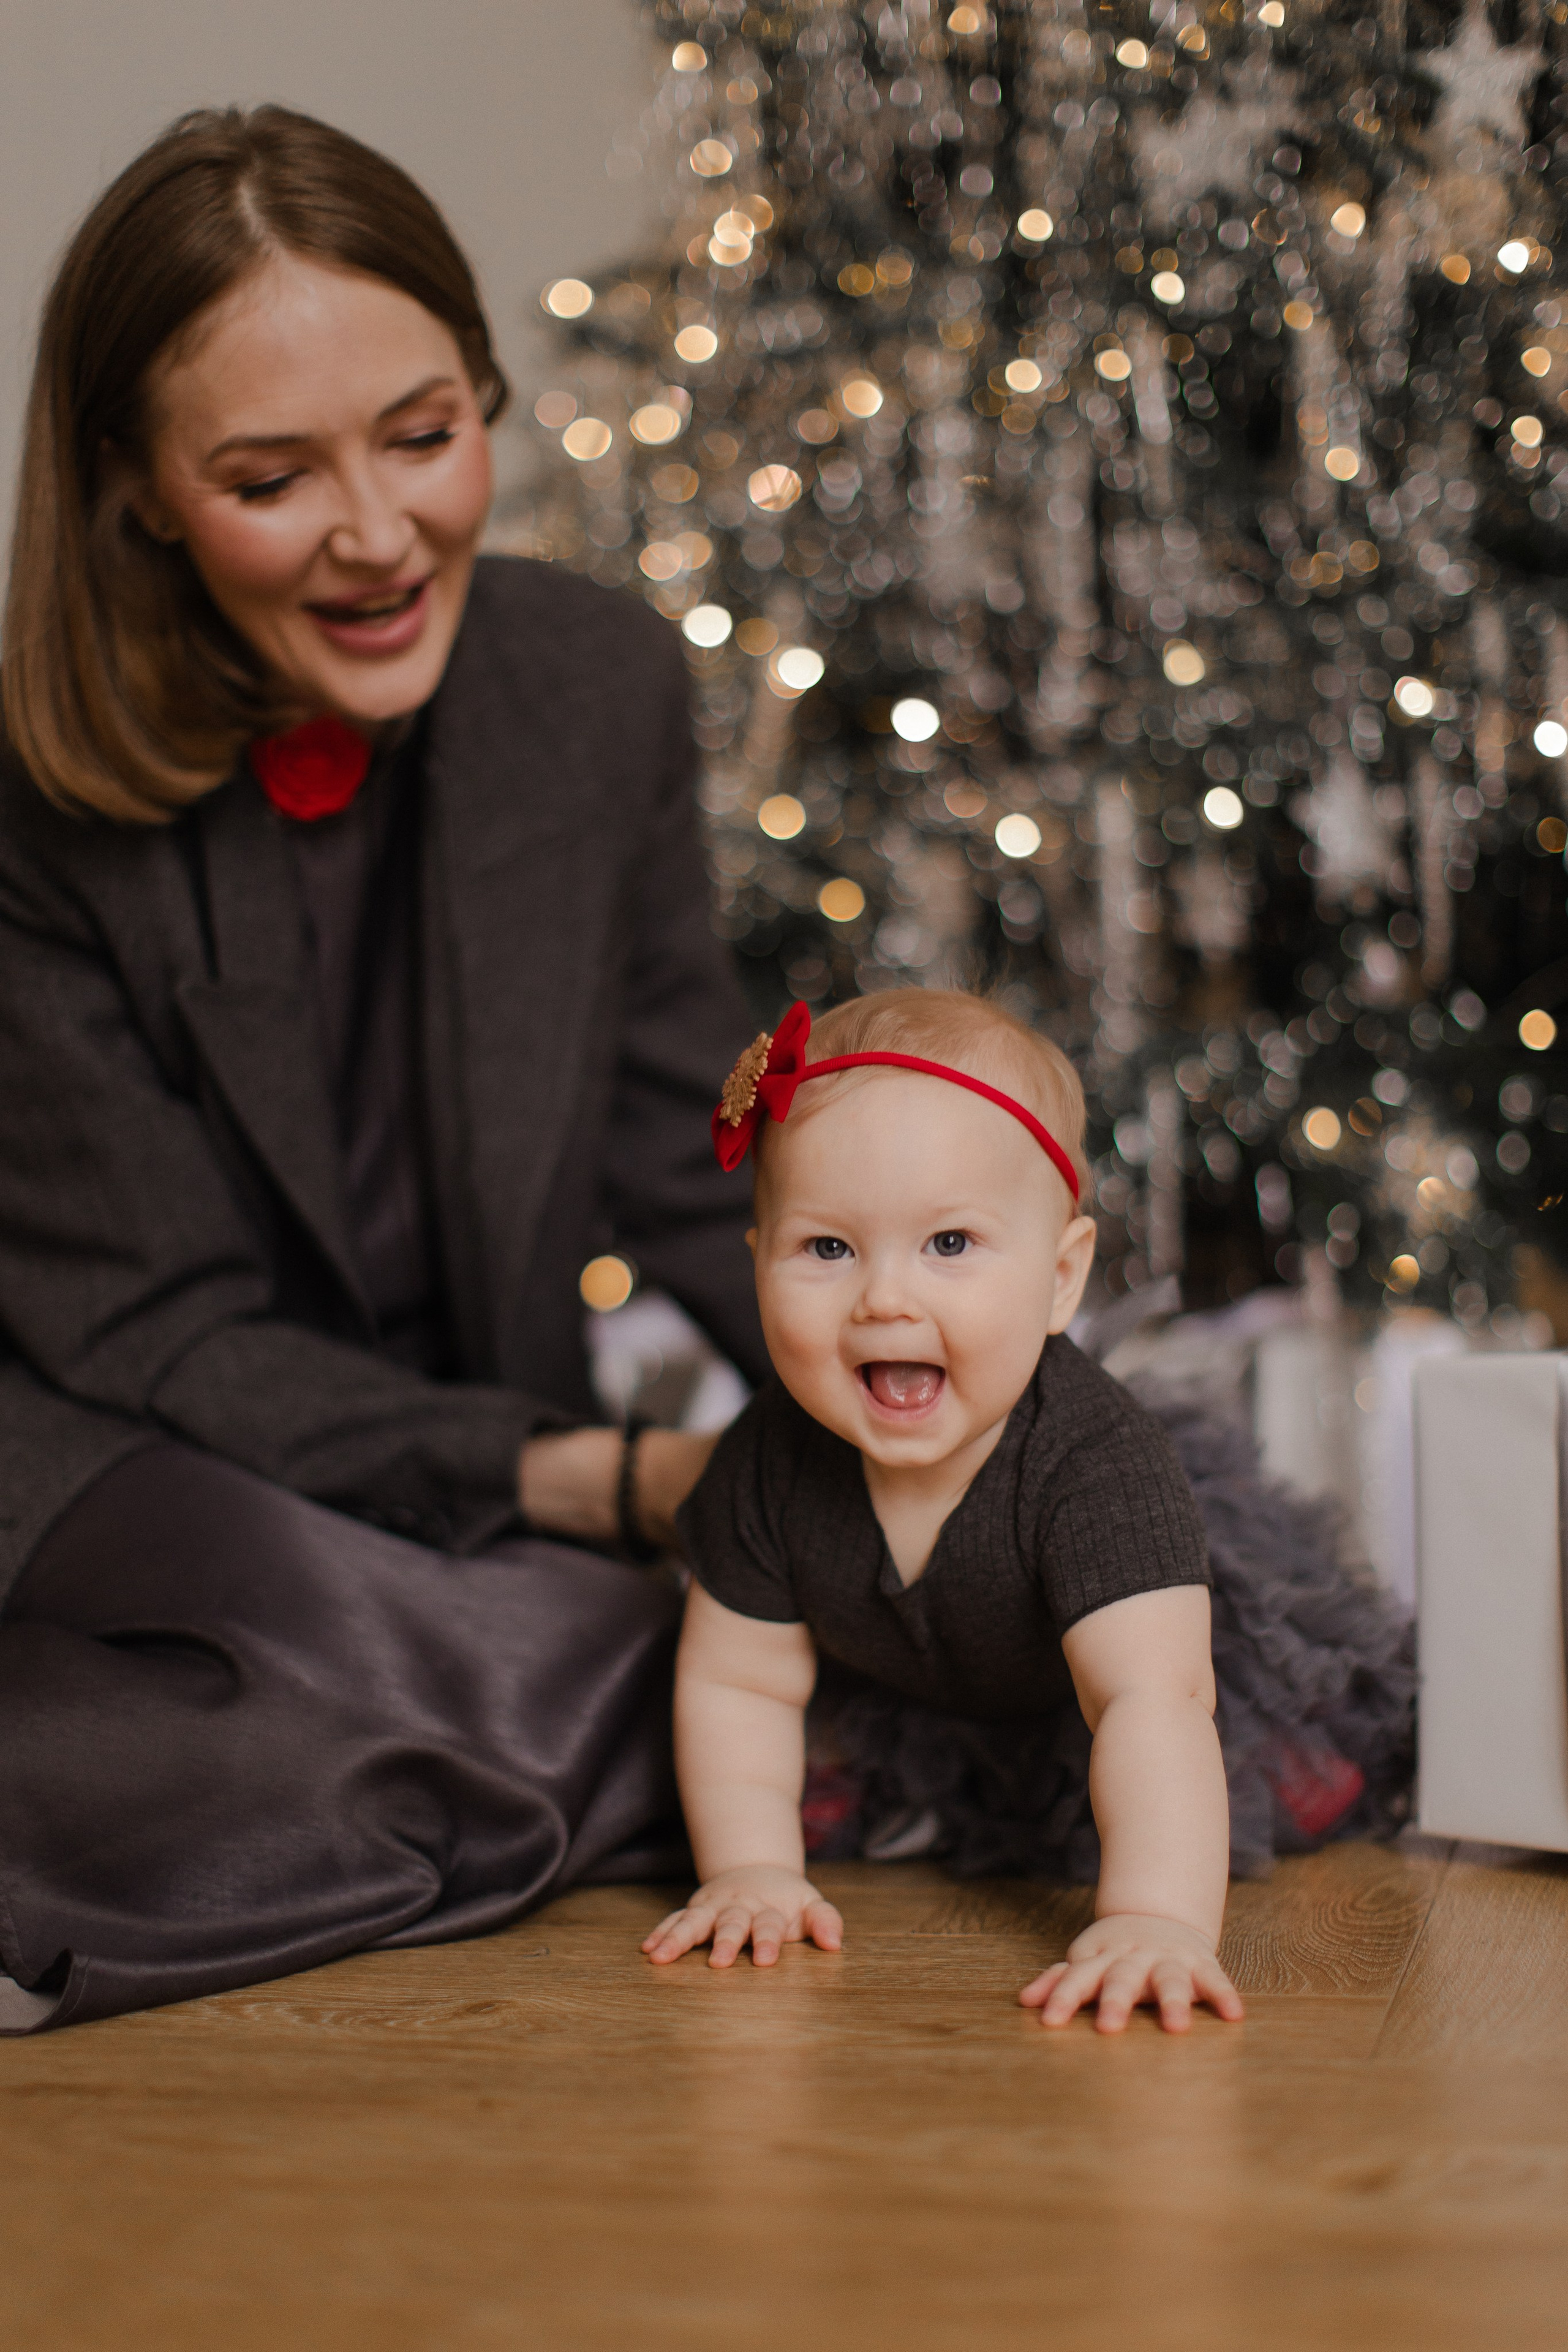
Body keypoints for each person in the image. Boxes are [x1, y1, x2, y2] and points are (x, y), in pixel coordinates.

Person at [0, 105, 766, 2034]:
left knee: (585, 1640)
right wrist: (611, 1480)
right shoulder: (27, 800)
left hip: (481, 1473)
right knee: (423, 1619)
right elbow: (159, 1331)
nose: (377, 532)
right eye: (272, 475)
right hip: (124, 1445)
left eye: (426, 437)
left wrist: (942, 1383)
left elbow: (696, 1149)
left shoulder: (591, 686)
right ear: (139, 490)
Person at [644, 991, 1416, 2033]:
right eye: (827, 1249)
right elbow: (738, 1682)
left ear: (1059, 1281)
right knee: (823, 1784)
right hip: (924, 1684)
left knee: (1248, 1761)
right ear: (757, 1267)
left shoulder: (1097, 1465)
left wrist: (1158, 1920)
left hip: (1134, 1696)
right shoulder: (764, 1463)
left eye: (951, 1244)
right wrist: (750, 1870)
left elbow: (1153, 1703)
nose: (885, 1299)